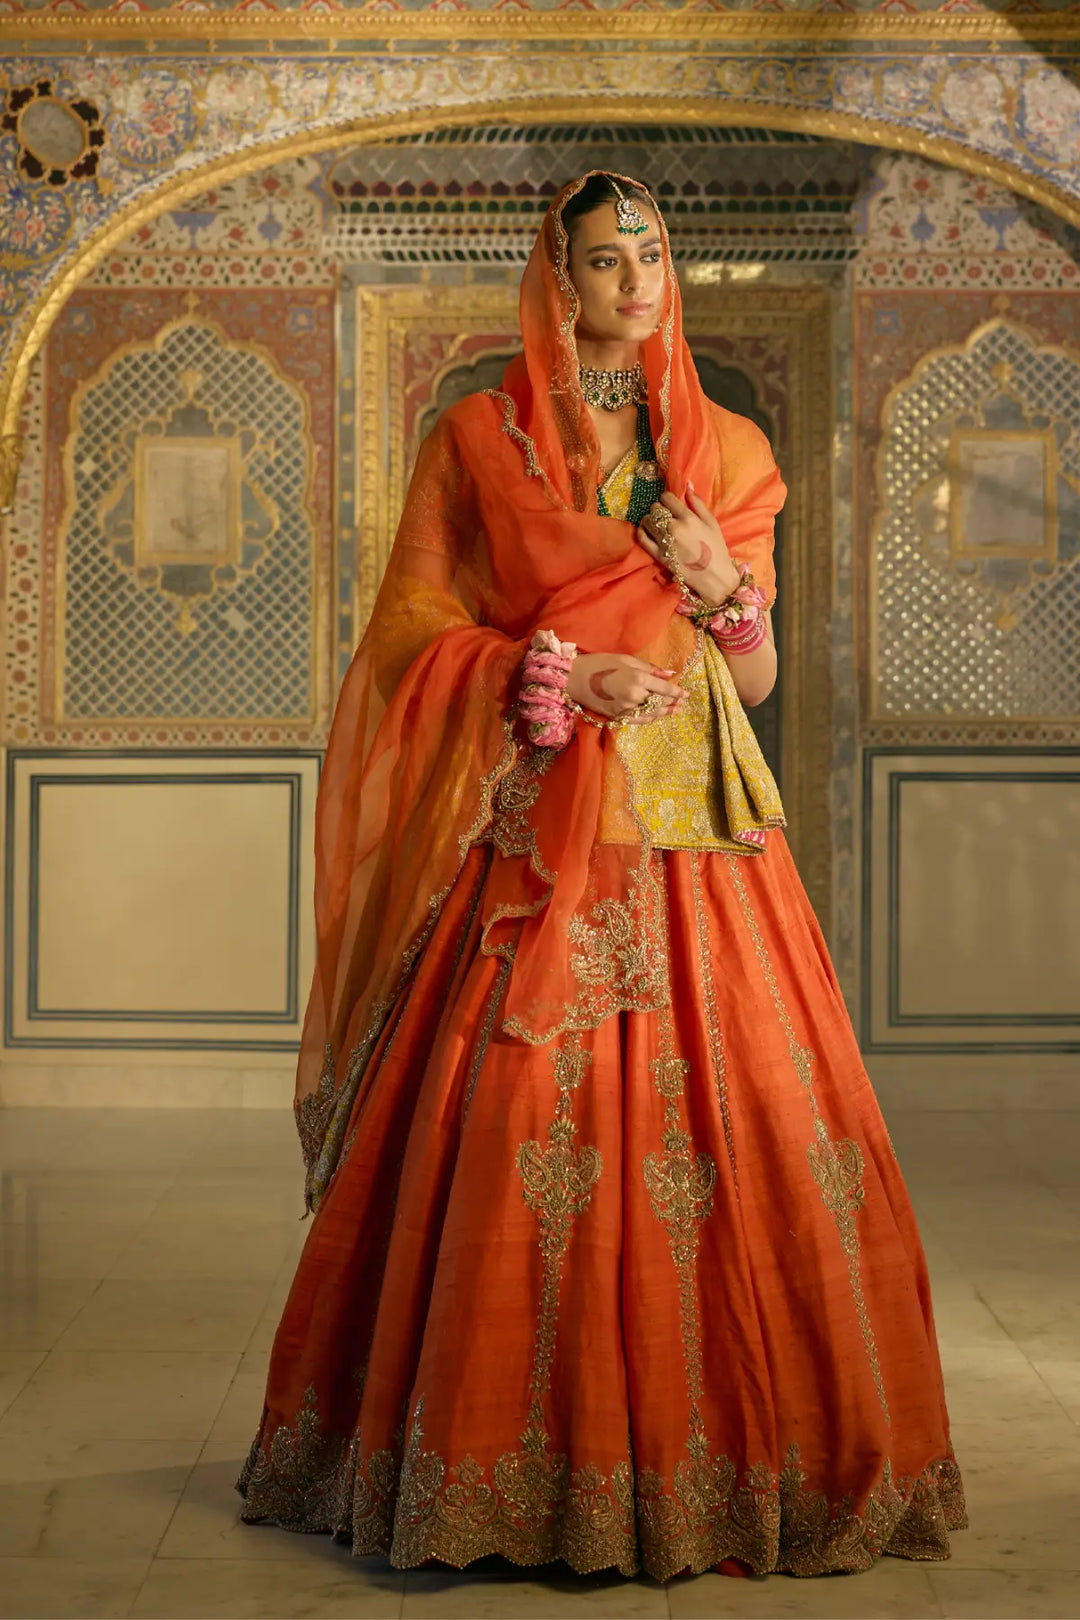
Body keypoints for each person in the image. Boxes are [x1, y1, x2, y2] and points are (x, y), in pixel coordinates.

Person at [237, 172, 966, 1583]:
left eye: (651, 252)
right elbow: (409, 644)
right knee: (512, 1123)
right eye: (603, 257)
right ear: (556, 283)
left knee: (750, 1136)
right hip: (542, 836)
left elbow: (751, 675)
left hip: (700, 839)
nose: (636, 277)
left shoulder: (728, 452)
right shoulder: (480, 443)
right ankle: (507, 1469)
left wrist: (713, 580)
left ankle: (735, 1465)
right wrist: (549, 669)